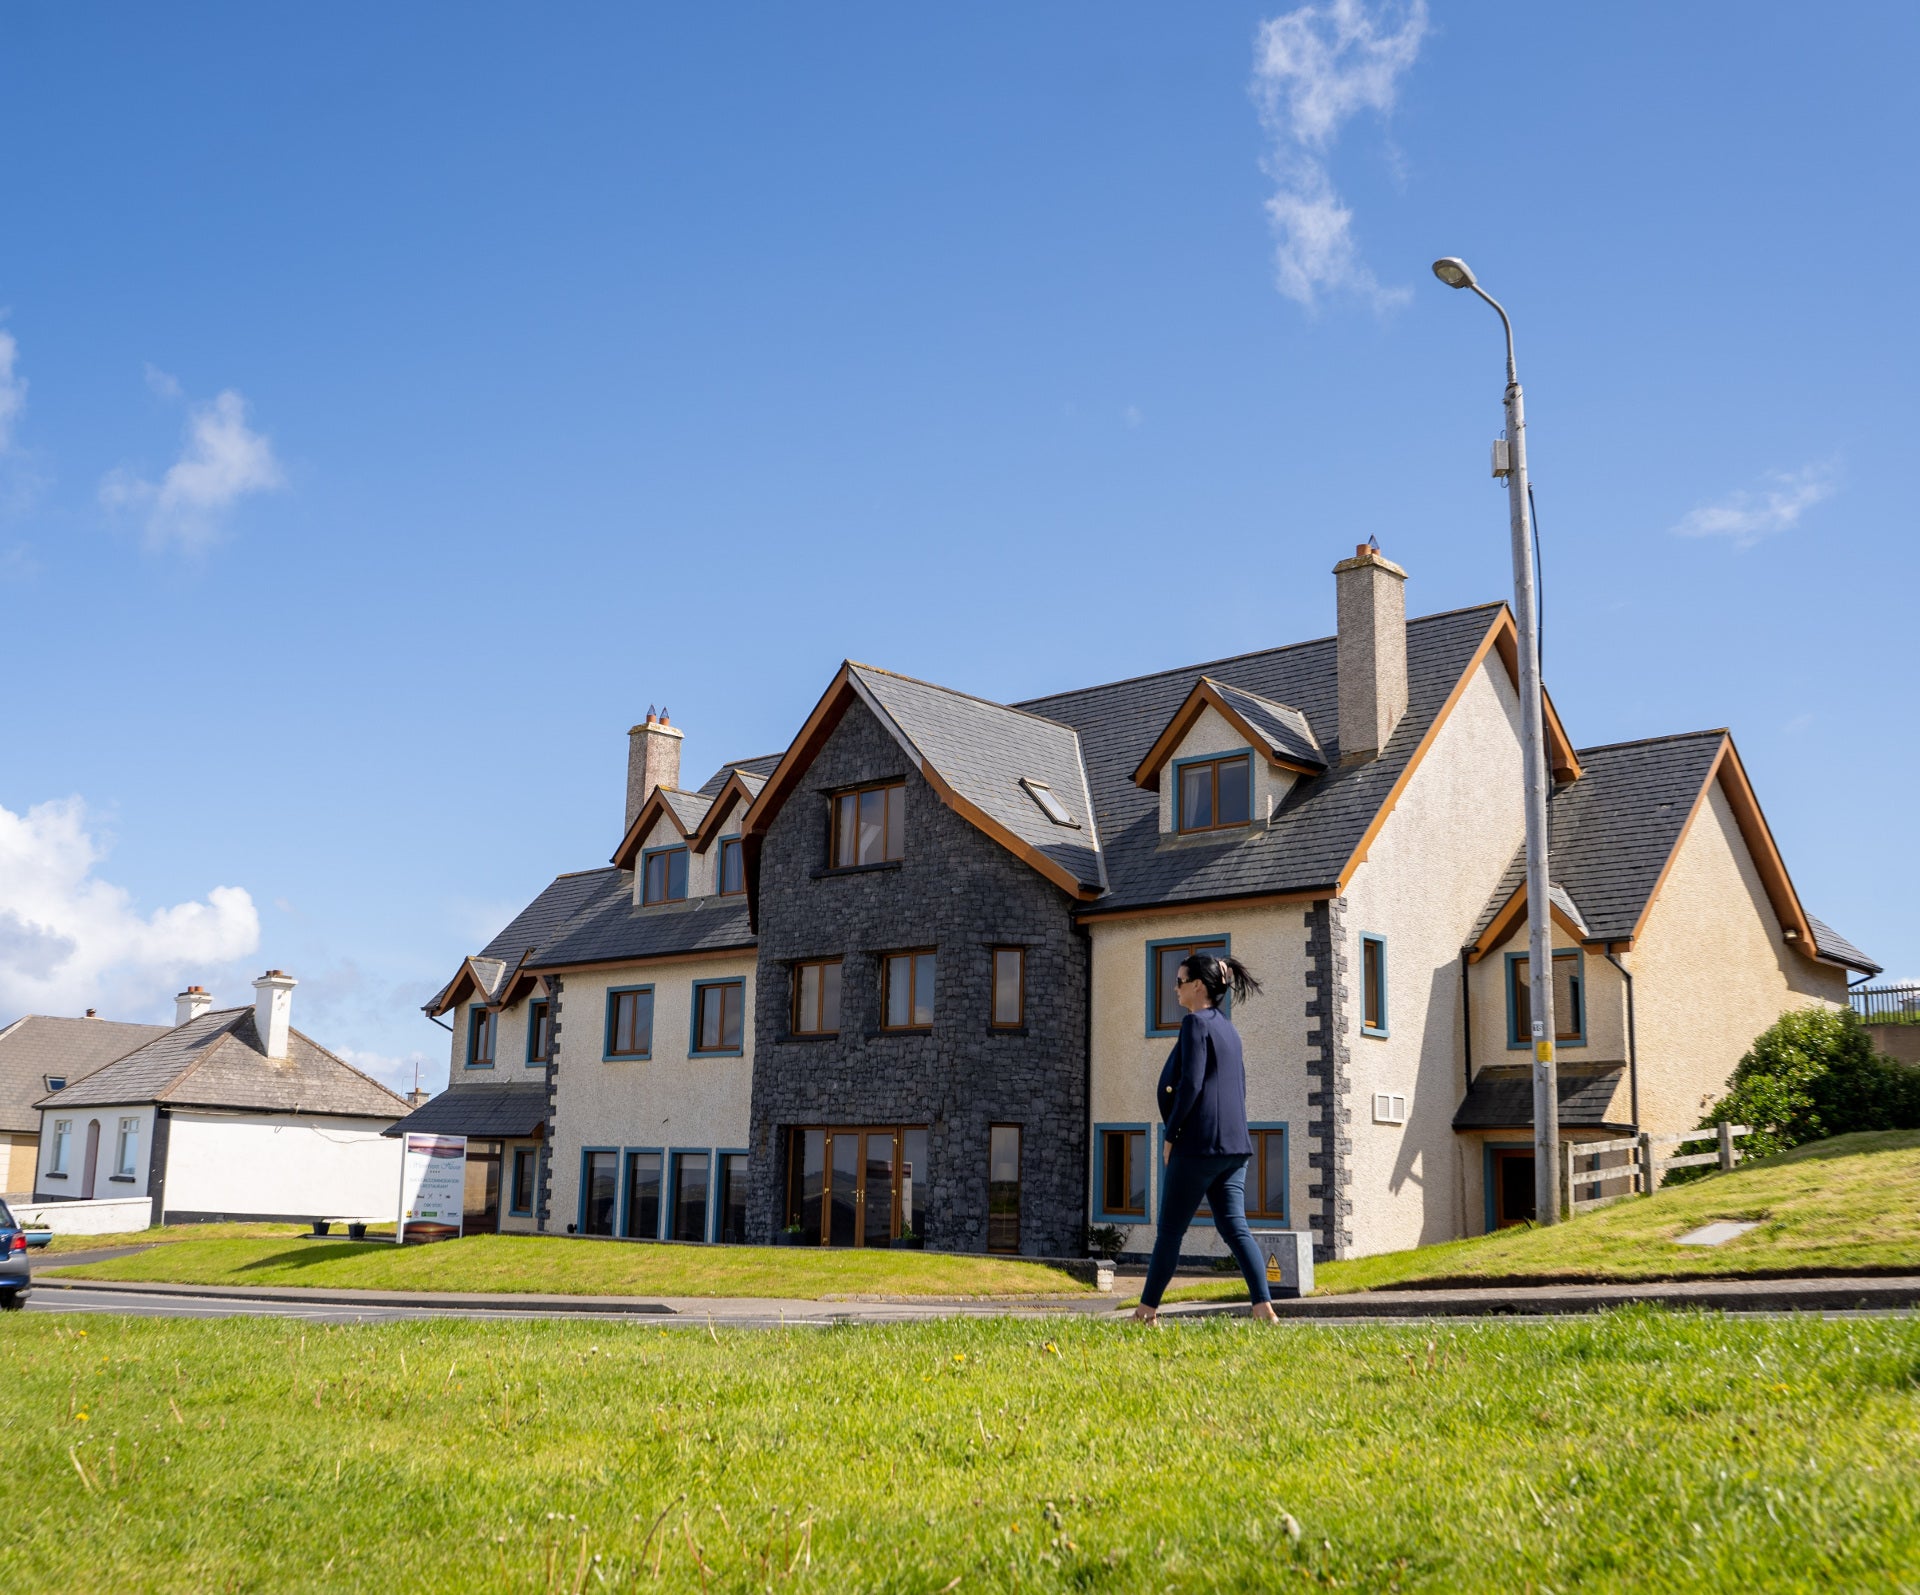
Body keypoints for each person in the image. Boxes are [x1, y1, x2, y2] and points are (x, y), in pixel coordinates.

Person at [1131, 951, 1279, 1325]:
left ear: (1198, 986)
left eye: (1180, 981)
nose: (1175, 988)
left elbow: (1192, 1084)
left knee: (1169, 1232)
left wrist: (1171, 1134)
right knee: (1235, 1227)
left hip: (1197, 1146)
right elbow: (1239, 1087)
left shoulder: (1194, 1024)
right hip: (1234, 1147)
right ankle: (1263, 1307)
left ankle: (1146, 1313)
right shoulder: (1230, 1030)